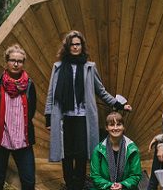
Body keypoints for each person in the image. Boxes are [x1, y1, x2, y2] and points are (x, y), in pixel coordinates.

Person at [45, 30, 132, 190]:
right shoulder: (58, 67)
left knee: (81, 154)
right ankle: (69, 184)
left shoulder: (89, 67)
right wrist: (48, 117)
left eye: (78, 44)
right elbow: (51, 93)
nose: (75, 47)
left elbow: (101, 91)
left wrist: (119, 105)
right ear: (67, 47)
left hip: (83, 118)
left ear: (82, 46)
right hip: (64, 117)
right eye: (72, 44)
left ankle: (77, 185)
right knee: (66, 154)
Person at [0, 44, 37, 190]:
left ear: (23, 63)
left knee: (29, 181)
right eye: (13, 60)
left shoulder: (30, 86)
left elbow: (31, 111)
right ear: (6, 62)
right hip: (1, 140)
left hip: (23, 141)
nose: (16, 64)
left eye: (19, 61)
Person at [90, 112, 142, 190]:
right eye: (111, 125)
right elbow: (95, 176)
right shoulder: (98, 150)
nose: (115, 128)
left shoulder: (132, 149)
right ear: (106, 128)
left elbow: (135, 175)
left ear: (123, 127)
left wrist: (122, 185)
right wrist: (109, 185)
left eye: (118, 124)